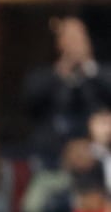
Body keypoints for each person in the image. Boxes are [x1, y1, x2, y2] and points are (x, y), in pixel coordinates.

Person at [23, 16, 111, 165]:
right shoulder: (44, 76)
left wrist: (89, 68)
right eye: (70, 38)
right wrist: (61, 72)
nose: (75, 43)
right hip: (53, 161)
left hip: (97, 161)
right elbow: (31, 100)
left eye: (79, 37)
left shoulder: (100, 74)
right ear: (59, 43)